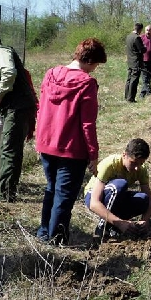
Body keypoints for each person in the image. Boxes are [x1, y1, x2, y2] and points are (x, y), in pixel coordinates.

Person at [35, 38, 107, 245]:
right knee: (64, 196)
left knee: (51, 188)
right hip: (71, 149)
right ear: (91, 60)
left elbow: (41, 109)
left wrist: (39, 139)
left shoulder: (51, 74)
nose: (94, 69)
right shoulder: (87, 83)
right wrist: (93, 154)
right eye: (96, 65)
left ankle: (44, 232)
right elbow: (88, 123)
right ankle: (56, 240)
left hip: (47, 143)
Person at [0, 32, 37, 203]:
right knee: (9, 150)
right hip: (14, 108)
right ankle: (7, 191)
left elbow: (9, 73)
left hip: (17, 108)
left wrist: (0, 94)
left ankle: (5, 195)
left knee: (10, 151)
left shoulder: (0, 52)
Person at [0, 69, 38, 188]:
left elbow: (30, 92)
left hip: (17, 116)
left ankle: (10, 180)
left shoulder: (24, 74)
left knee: (12, 150)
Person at [84, 138, 151, 239]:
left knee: (143, 199)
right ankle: (102, 227)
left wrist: (145, 220)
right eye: (133, 163)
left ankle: (113, 227)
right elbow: (94, 203)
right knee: (120, 185)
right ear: (124, 155)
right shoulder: (110, 164)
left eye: (140, 164)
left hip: (114, 199)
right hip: (93, 196)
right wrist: (120, 223)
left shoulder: (141, 170)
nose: (137, 168)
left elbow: (149, 198)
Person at [125, 23, 146, 103]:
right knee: (134, 80)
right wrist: (145, 48)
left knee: (129, 79)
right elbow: (142, 50)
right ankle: (131, 99)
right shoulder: (137, 38)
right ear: (140, 29)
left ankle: (127, 96)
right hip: (136, 62)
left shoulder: (128, 36)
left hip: (130, 61)